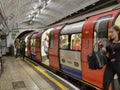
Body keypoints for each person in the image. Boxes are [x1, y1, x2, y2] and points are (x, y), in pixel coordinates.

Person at [97, 25, 120, 90]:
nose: (110, 34)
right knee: (105, 85)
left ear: (117, 32)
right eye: (110, 32)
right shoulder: (110, 43)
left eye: (112, 32)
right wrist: (100, 45)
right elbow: (105, 51)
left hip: (119, 65)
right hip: (110, 65)